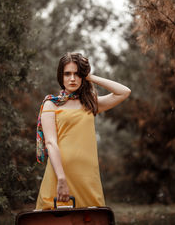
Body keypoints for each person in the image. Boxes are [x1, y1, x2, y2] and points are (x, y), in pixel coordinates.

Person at [36, 52, 131, 209]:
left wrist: (90, 77)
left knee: (93, 218)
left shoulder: (89, 103)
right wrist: (61, 179)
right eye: (67, 74)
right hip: (60, 174)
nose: (72, 78)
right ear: (61, 76)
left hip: (87, 176)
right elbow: (51, 143)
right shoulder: (51, 104)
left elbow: (124, 92)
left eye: (77, 74)